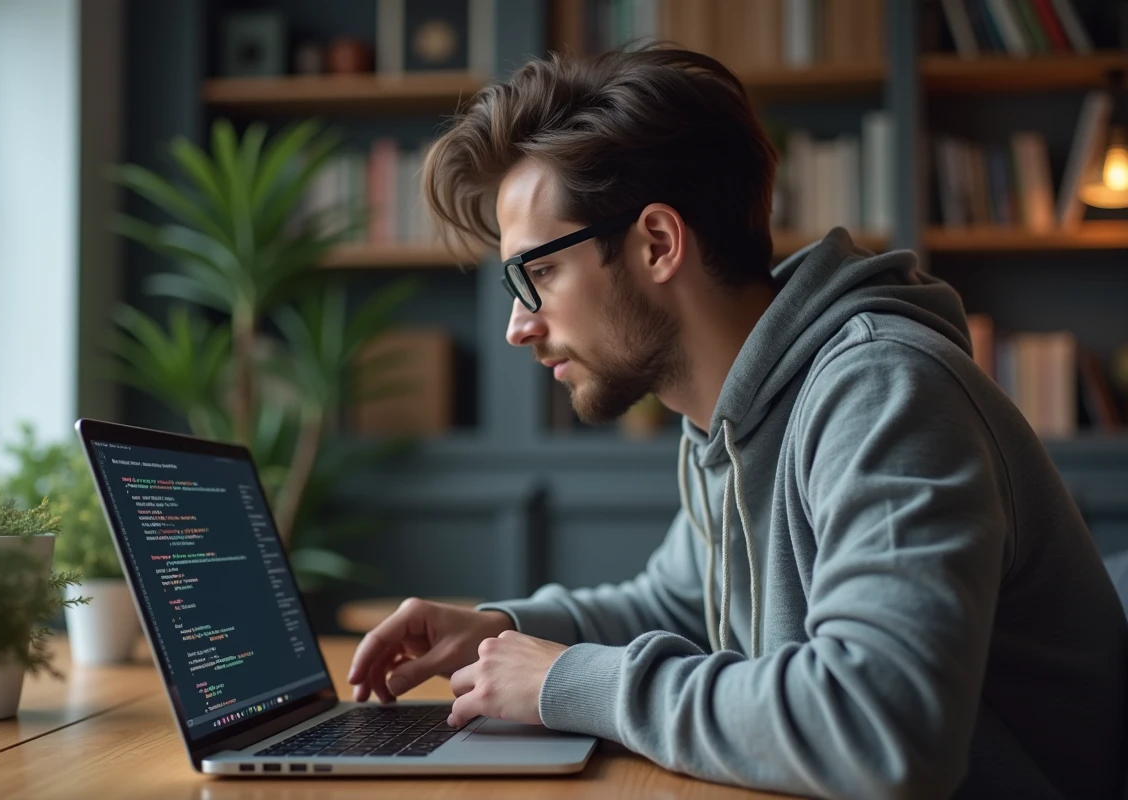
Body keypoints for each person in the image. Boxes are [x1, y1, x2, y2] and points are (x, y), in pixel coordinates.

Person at [346, 47, 1127, 799]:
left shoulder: (883, 389)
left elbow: (885, 726)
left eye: (539, 272)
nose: (519, 325)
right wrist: (497, 629)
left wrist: (564, 682)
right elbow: (678, 601)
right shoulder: (734, 418)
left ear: (657, 243)